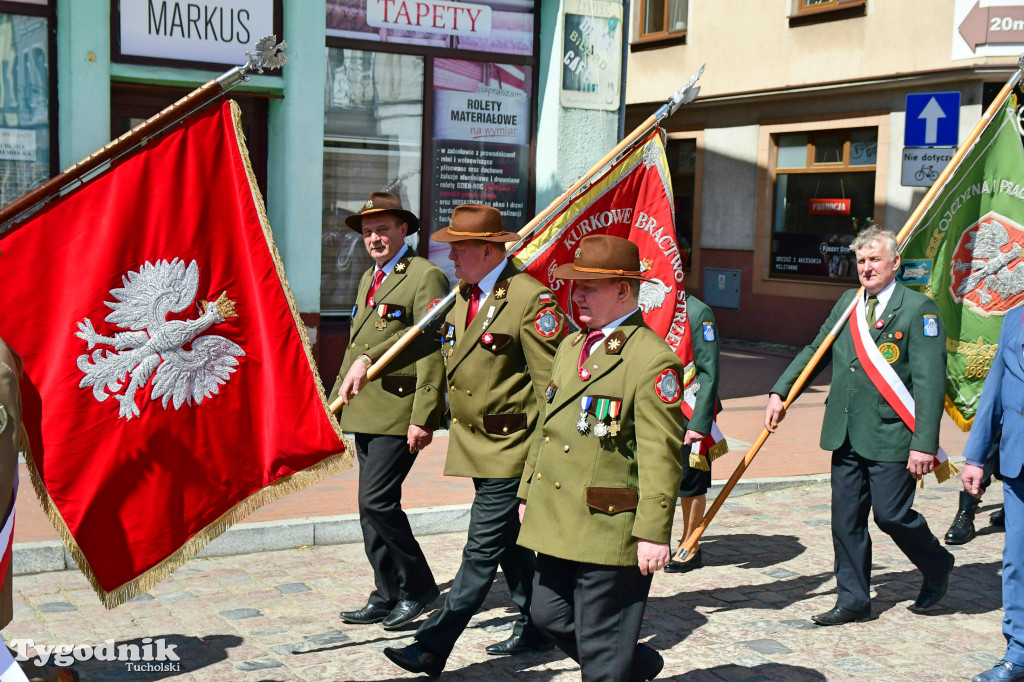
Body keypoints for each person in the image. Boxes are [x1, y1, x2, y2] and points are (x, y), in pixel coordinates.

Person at [372, 203, 564, 676]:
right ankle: (543, 624)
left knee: (479, 552)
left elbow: (552, 391)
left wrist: (538, 468)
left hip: (513, 451)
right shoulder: (465, 293)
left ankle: (433, 645)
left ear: (485, 249)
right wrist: (369, 360)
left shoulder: (529, 300)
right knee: (512, 545)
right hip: (479, 448)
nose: (450, 256)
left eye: (458, 248)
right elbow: (426, 338)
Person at [764, 226, 954, 626]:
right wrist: (781, 392)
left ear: (895, 263)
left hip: (891, 433)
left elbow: (929, 382)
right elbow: (816, 350)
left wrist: (925, 444)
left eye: (874, 260)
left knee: (891, 516)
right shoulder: (848, 304)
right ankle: (853, 600)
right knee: (845, 520)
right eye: (861, 261)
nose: (867, 268)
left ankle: (936, 563)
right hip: (846, 431)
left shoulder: (919, 309)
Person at [516, 235, 685, 681]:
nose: (578, 295)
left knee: (601, 647)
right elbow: (548, 427)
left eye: (590, 286)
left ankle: (614, 664)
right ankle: (630, 663)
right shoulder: (573, 347)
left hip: (610, 523)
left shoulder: (651, 360)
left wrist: (653, 532)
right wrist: (527, 489)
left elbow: (661, 455)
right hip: (558, 518)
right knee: (546, 614)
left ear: (624, 291)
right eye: (576, 285)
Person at [331, 191, 448, 631]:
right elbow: (357, 348)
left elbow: (433, 346)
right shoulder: (370, 278)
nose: (375, 238)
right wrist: (337, 400)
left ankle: (418, 588)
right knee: (369, 508)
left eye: (383, 229)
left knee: (377, 501)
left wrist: (425, 414)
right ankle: (387, 590)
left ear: (405, 229)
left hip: (400, 411)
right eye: (367, 232)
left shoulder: (425, 276)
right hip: (365, 409)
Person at [960, 308, 1024, 682]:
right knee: (1017, 560)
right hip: (1018, 462)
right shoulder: (1015, 317)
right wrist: (976, 456)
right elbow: (995, 388)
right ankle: (1018, 652)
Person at [664, 292, 721, 573]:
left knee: (691, 479)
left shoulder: (698, 311)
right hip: (657, 409)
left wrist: (699, 422)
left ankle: (690, 543)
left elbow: (709, 371)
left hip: (691, 406)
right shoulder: (649, 307)